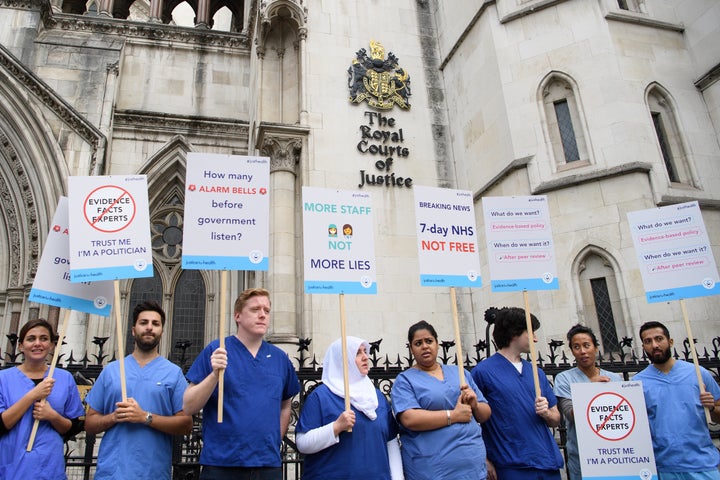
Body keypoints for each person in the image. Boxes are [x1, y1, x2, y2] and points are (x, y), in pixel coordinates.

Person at [183, 288, 300, 480]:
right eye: (255, 309)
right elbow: (188, 406)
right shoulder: (216, 350)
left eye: (267, 310)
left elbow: (286, 403)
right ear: (238, 316)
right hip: (222, 465)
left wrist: (274, 440)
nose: (262, 315)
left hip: (267, 466)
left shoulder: (280, 359)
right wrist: (214, 375)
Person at [85, 300, 193, 479]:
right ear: (133, 330)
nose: (149, 327)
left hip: (153, 472)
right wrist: (113, 417)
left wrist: (145, 417)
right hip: (112, 472)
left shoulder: (173, 373)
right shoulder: (111, 371)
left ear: (162, 332)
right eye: (144, 323)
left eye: (155, 324)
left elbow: (186, 424)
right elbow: (89, 424)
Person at [471, 307, 563, 480]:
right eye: (531, 332)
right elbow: (470, 419)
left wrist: (547, 413)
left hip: (547, 463)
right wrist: (483, 457)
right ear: (515, 333)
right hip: (511, 465)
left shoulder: (536, 373)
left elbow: (556, 418)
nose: (536, 339)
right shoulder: (482, 372)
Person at [391, 320, 491, 480]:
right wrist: (454, 415)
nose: (425, 346)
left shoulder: (460, 373)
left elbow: (485, 414)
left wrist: (474, 404)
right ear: (411, 349)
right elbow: (409, 419)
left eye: (429, 341)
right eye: (418, 343)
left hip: (472, 468)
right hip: (432, 470)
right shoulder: (405, 381)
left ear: (437, 344)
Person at [296, 336, 403, 480]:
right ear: (342, 360)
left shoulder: (377, 397)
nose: (365, 357)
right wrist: (336, 427)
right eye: (358, 353)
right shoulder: (321, 396)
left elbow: (391, 441)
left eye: (365, 352)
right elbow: (302, 443)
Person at [634, 321, 720, 480]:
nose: (654, 345)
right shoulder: (637, 382)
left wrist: (712, 408)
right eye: (648, 341)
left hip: (703, 465)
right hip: (662, 467)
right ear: (643, 346)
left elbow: (718, 413)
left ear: (670, 341)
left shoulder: (699, 373)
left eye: (659, 339)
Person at [0, 319, 84, 479]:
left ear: (52, 345)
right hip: (12, 469)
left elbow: (74, 427)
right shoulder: (3, 379)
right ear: (20, 346)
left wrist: (52, 416)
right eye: (31, 339)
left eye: (44, 339)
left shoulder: (65, 379)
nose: (37, 343)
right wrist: (33, 395)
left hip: (49, 469)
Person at [553, 324, 622, 480]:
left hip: (615, 453)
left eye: (586, 345)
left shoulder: (614, 378)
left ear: (596, 348)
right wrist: (591, 390)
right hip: (583, 457)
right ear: (572, 351)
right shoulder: (564, 379)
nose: (583, 351)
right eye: (576, 347)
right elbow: (571, 415)